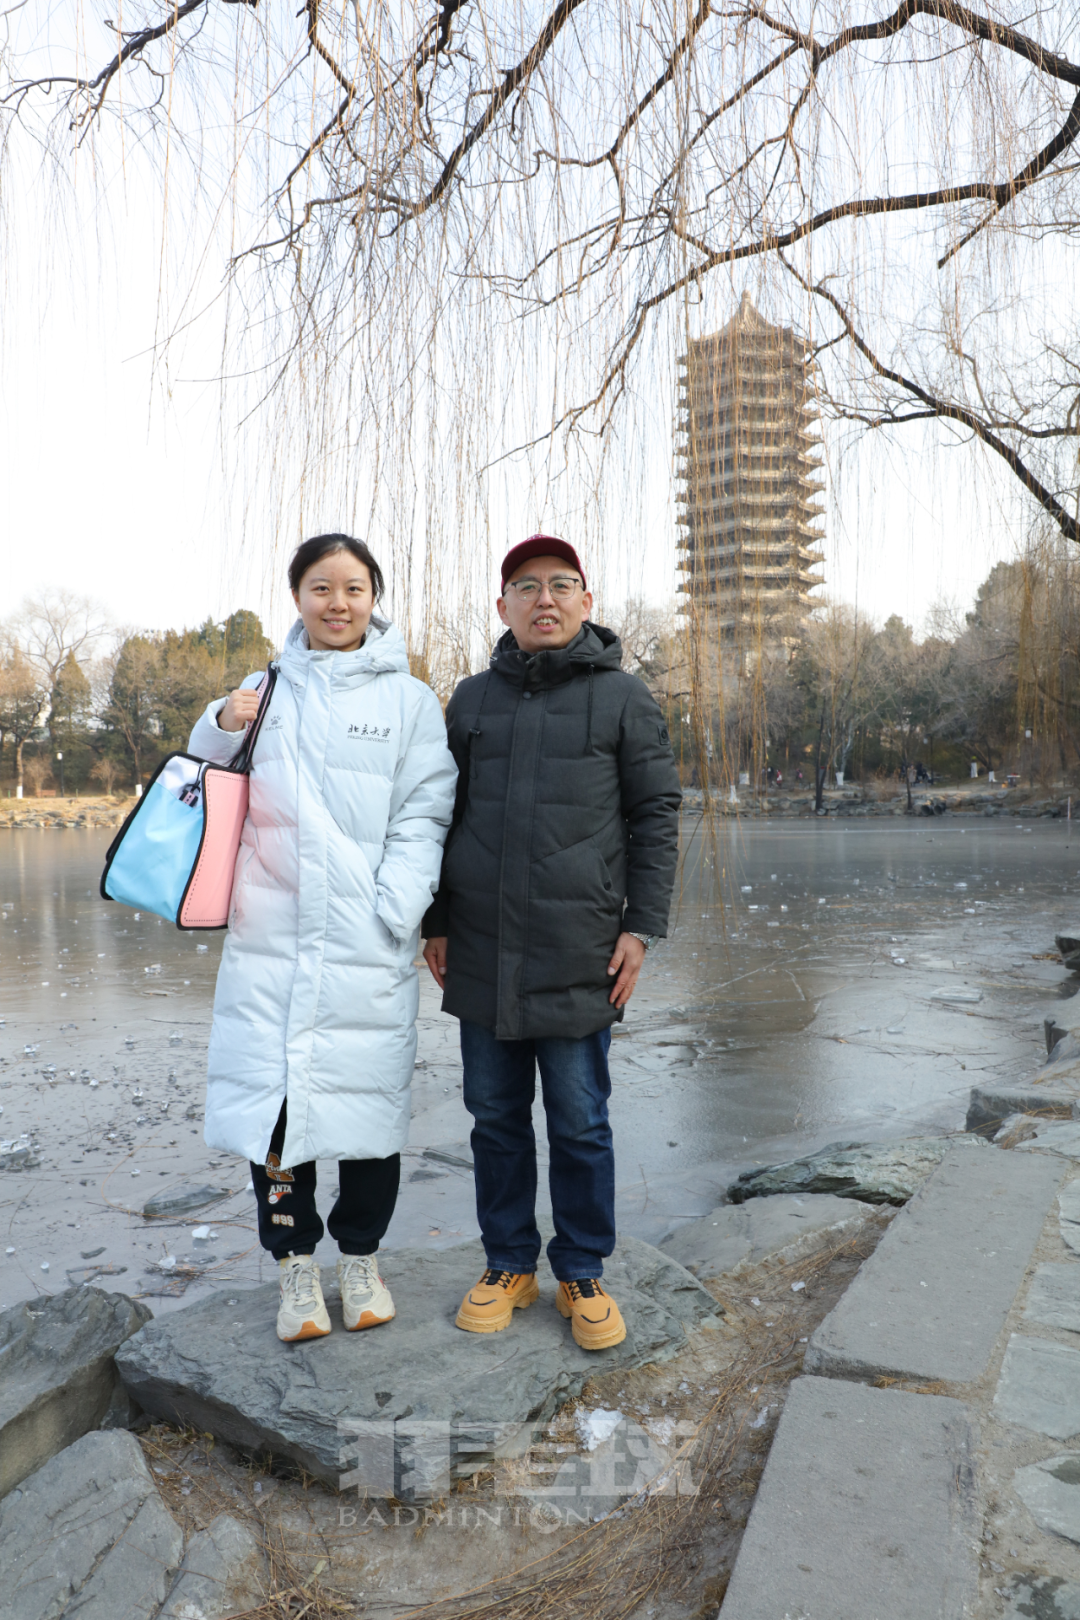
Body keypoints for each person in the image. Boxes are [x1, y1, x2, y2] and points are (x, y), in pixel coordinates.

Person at [189, 534, 456, 1343]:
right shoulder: (261, 690)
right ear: (297, 596)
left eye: (353, 587)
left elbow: (425, 810)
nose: (337, 603)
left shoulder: (409, 701)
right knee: (275, 1113)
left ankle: (361, 1259)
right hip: (270, 937)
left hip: (364, 940)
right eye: (320, 586)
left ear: (374, 597)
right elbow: (203, 786)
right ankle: (295, 1266)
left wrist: (394, 907)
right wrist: (217, 722)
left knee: (367, 1109)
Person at [422, 535, 680, 1351]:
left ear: (586, 602)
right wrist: (436, 919)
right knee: (494, 1118)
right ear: (502, 607)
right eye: (527, 587)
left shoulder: (624, 698)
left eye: (561, 585)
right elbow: (437, 815)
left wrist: (641, 926)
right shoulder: (471, 700)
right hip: (483, 946)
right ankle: (509, 1263)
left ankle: (581, 1268)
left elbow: (655, 815)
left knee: (579, 1122)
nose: (545, 599)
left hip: (580, 947)